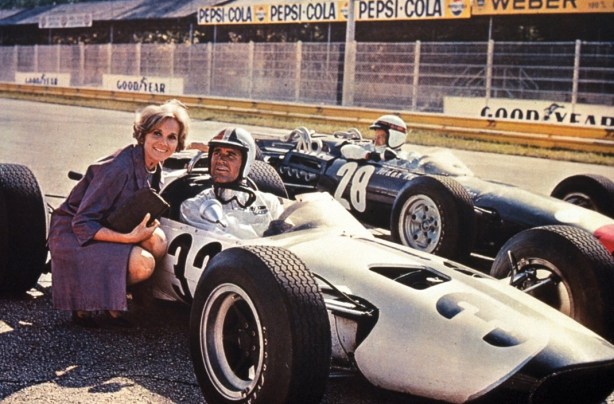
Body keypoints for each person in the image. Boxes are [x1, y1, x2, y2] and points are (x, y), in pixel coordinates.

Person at [48, 99, 191, 328]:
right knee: (144, 264)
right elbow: (82, 223)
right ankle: (88, 302)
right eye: (157, 133)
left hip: (110, 225)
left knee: (158, 242)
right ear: (143, 134)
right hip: (73, 235)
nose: (163, 143)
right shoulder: (119, 167)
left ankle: (114, 298)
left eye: (171, 137)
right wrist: (129, 238)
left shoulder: (154, 166)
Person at [180, 127, 284, 239]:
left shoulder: (270, 203)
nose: (220, 160)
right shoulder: (193, 207)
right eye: (217, 152)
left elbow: (289, 238)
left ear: (246, 162)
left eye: (230, 154)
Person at [340, 114, 417, 162]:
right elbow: (345, 149)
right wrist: (369, 155)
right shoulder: (367, 148)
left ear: (395, 137)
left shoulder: (404, 157)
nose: (376, 140)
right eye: (376, 136)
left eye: (381, 137)